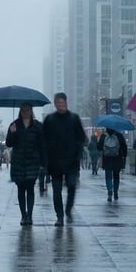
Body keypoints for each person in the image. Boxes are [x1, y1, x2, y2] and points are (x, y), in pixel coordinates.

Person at [42, 92, 86, 226]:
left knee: (71, 187)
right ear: (55, 104)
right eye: (57, 103)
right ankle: (59, 216)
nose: (60, 105)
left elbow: (81, 138)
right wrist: (45, 160)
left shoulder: (74, 118)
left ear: (66, 103)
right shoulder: (50, 120)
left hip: (71, 161)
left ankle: (68, 210)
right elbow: (43, 140)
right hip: (54, 162)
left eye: (62, 102)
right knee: (56, 190)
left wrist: (77, 153)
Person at [6, 104, 46, 226]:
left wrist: (43, 163)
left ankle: (29, 216)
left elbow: (42, 145)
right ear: (20, 111)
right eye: (23, 110)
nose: (25, 112)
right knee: (20, 189)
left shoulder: (38, 126)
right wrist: (12, 133)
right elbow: (9, 143)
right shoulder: (14, 125)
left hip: (32, 162)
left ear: (31, 111)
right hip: (18, 162)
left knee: (30, 188)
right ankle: (23, 215)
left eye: (27, 110)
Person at [100, 127, 128, 202]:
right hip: (117, 159)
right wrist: (124, 156)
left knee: (108, 176)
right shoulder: (119, 135)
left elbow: (99, 147)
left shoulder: (104, 136)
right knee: (116, 176)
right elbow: (124, 147)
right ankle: (115, 192)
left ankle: (109, 191)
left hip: (107, 159)